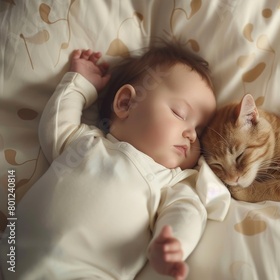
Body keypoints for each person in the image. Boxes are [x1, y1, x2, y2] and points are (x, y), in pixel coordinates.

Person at [0, 44, 216, 280]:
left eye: (199, 130)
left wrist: (175, 242)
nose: (192, 135)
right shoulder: (86, 142)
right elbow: (54, 125)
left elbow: (189, 211)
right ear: (125, 103)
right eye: (180, 114)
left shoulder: (172, 181)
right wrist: (80, 83)